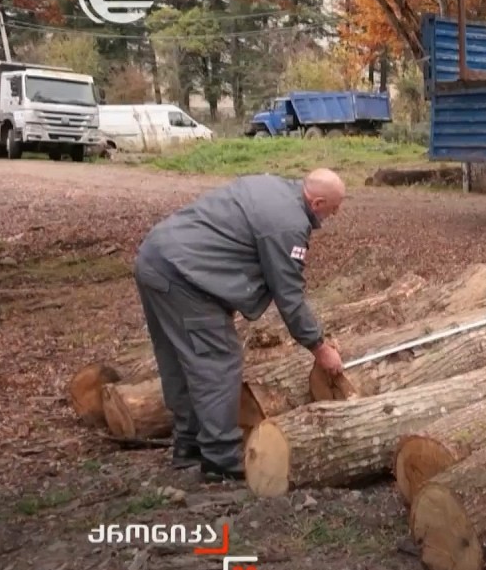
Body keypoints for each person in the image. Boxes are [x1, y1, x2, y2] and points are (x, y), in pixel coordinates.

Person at [132, 168, 347, 481]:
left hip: (155, 259)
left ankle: (189, 446)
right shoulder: (287, 225)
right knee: (217, 362)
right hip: (185, 277)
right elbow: (289, 294)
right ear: (316, 202)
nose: (335, 214)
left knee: (179, 360)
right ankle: (221, 458)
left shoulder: (274, 187)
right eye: (334, 207)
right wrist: (319, 347)